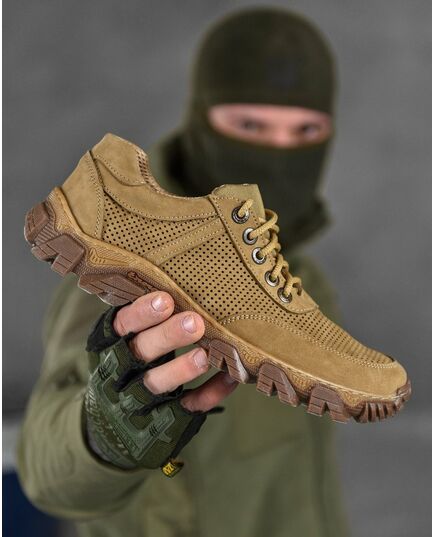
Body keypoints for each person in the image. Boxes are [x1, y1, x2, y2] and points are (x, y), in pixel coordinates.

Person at [17, 8, 348, 537]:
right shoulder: (135, 272)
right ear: (201, 116)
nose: (280, 152)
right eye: (250, 126)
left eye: (306, 130)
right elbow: (43, 468)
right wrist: (102, 433)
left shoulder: (306, 276)